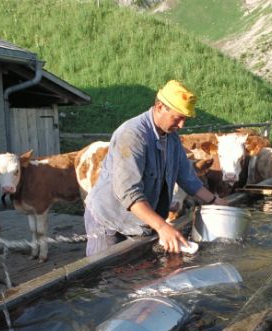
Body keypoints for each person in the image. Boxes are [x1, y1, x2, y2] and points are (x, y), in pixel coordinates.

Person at [84, 80, 228, 256]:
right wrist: (162, 226)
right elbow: (129, 192)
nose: (182, 125)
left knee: (135, 276)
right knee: (103, 277)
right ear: (160, 107)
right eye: (178, 117)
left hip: (141, 220)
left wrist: (215, 202)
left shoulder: (171, 137)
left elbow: (187, 177)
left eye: (185, 119)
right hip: (110, 221)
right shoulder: (132, 136)